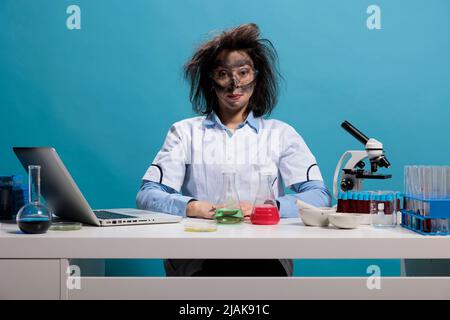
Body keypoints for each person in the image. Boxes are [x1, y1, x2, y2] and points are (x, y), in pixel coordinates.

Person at [136, 23, 331, 277]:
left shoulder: (281, 134)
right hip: (200, 258)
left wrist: (269, 208)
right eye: (223, 74)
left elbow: (319, 196)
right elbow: (148, 194)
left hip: (265, 257)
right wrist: (190, 206)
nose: (234, 84)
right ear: (210, 80)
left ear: (257, 77)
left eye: (243, 72)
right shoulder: (184, 132)